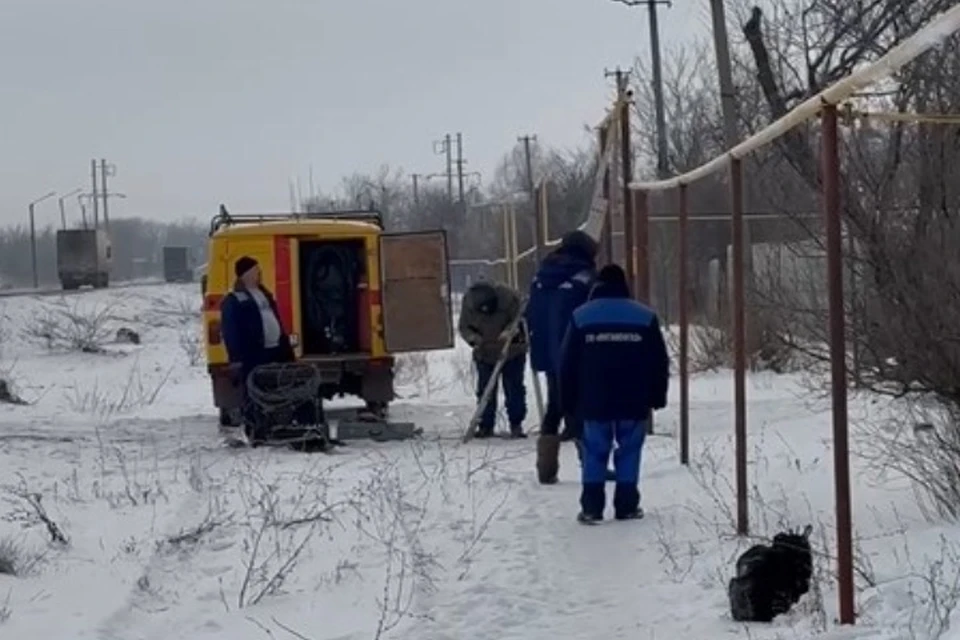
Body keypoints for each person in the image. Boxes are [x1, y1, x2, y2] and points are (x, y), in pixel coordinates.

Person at [557, 264, 669, 523]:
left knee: (595, 450)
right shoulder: (644, 316)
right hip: (633, 398)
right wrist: (657, 395)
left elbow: (567, 363)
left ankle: (592, 507)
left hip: (594, 400)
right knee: (630, 450)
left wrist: (568, 402)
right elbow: (659, 361)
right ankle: (627, 505)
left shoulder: (581, 316)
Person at [220, 256, 322, 439]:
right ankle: (256, 430)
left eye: (258, 270)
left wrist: (287, 349)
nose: (258, 274)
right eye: (254, 271)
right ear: (244, 274)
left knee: (283, 387)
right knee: (253, 393)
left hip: (276, 350)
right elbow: (230, 331)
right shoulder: (234, 299)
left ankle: (287, 425)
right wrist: (235, 358)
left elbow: (276, 322)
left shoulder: (264, 294)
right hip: (252, 354)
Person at [526, 230, 598, 484]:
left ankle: (546, 467)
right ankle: (590, 465)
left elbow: (529, 313)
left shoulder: (540, 277)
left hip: (547, 351)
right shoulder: (586, 277)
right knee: (581, 405)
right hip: (579, 352)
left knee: (554, 405)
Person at [458, 279, 528, 439]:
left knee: (514, 388)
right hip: (485, 352)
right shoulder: (469, 303)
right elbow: (464, 327)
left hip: (511, 351)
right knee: (485, 391)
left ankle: (516, 423)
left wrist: (510, 332)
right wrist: (473, 339)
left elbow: (520, 319)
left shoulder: (509, 298)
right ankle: (485, 425)